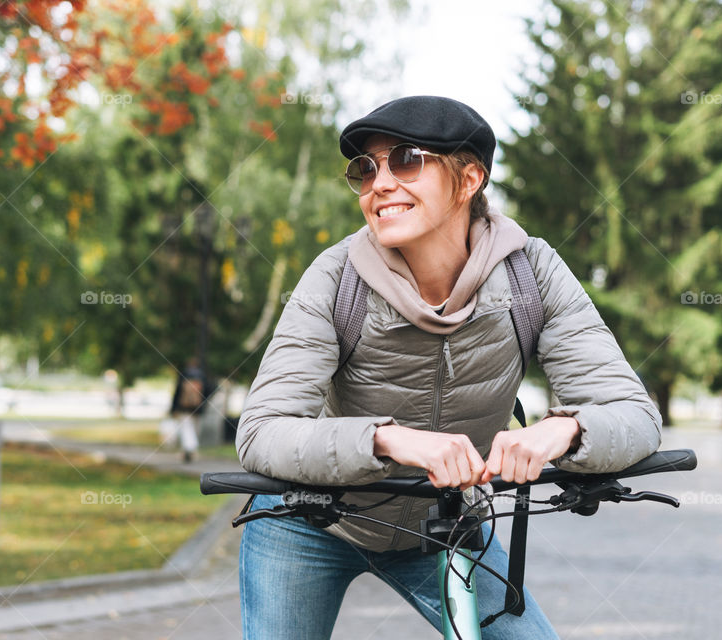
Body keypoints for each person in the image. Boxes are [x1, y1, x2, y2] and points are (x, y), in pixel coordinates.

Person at [235, 96, 662, 639]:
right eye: (365, 169)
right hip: (310, 521)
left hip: (451, 523)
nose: (380, 183)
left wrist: (567, 430)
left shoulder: (533, 274)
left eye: (406, 159)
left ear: (469, 181)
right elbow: (262, 432)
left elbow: (636, 415)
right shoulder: (335, 277)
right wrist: (390, 442)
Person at [169, 359, 207, 463]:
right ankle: (191, 450)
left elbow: (177, 392)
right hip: (197, 409)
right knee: (194, 430)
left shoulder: (183, 374)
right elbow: (208, 391)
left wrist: (173, 408)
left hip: (184, 408)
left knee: (186, 429)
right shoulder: (202, 376)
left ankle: (188, 448)